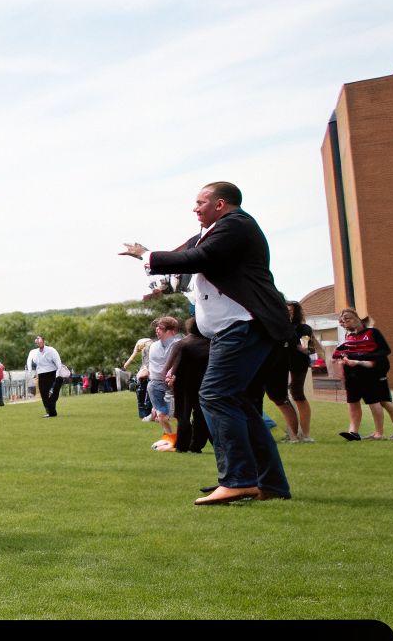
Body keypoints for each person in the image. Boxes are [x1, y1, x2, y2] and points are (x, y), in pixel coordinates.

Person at [121, 181, 294, 504]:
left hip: (242, 327)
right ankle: (268, 483)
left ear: (220, 204)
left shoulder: (235, 225)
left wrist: (147, 255)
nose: (195, 208)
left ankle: (238, 480)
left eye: (201, 202)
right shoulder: (215, 232)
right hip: (239, 329)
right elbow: (185, 259)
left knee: (215, 395)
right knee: (241, 404)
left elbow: (198, 257)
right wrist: (159, 280)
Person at [331, 308, 393, 441]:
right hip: (357, 373)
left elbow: (385, 350)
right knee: (369, 401)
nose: (345, 322)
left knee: (384, 401)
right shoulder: (349, 336)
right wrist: (344, 358)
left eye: (347, 319)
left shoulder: (373, 332)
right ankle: (365, 432)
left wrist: (362, 357)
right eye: (343, 321)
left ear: (358, 318)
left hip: (375, 371)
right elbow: (342, 352)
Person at [268, 300, 318, 443]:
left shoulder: (304, 328)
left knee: (297, 394)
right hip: (281, 364)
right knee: (283, 397)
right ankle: (292, 433)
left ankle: (305, 434)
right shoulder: (278, 327)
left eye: (290, 311)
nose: (288, 313)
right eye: (285, 310)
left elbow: (304, 344)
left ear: (296, 313)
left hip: (298, 364)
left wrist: (303, 346)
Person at [163, 318, 209, 454]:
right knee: (201, 415)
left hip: (183, 384)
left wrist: (167, 379)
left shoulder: (181, 344)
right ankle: (196, 445)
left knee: (183, 414)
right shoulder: (210, 344)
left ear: (189, 328)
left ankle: (182, 445)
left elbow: (167, 367)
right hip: (203, 385)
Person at [142, 316, 182, 447]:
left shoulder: (179, 344)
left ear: (172, 331)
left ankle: (176, 439)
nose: (157, 330)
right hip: (155, 384)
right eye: (157, 328)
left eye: (161, 328)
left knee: (175, 415)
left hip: (175, 384)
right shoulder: (153, 346)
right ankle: (169, 437)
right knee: (161, 415)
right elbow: (150, 365)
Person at [26, 335, 67, 417]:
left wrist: (58, 373)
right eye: (37, 340)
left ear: (43, 341)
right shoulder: (33, 352)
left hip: (53, 373)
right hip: (41, 374)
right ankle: (51, 412)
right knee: (44, 394)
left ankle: (51, 408)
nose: (38, 342)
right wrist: (30, 371)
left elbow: (58, 361)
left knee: (54, 391)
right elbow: (29, 361)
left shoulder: (51, 350)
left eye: (40, 340)